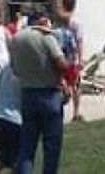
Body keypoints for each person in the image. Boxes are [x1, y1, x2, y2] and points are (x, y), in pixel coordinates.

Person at [10, 11, 68, 174]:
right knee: (51, 147)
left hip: (27, 93)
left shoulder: (18, 38)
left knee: (27, 147)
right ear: (44, 21)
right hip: (49, 94)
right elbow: (61, 63)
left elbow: (14, 68)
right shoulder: (47, 37)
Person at [0, 62, 23, 174]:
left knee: (4, 156)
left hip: (0, 116)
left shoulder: (4, 69)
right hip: (16, 119)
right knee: (18, 158)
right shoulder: (23, 70)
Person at [58, 0, 84, 122]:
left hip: (60, 57)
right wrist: (81, 58)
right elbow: (79, 41)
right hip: (72, 58)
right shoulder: (76, 22)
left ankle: (59, 110)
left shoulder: (59, 20)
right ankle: (76, 112)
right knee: (75, 86)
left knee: (60, 84)